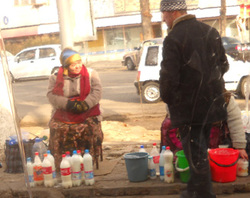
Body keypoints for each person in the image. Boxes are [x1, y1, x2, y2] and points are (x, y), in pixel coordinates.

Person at [159, 0, 230, 197]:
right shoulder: (210, 32)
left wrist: (171, 99)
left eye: (163, 14)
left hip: (189, 110)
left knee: (197, 155)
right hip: (211, 106)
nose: (163, 19)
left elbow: (168, 79)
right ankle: (192, 190)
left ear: (172, 13)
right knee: (198, 152)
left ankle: (205, 194)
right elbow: (223, 66)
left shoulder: (173, 38)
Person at [47, 48, 103, 171]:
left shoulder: (91, 73)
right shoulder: (55, 77)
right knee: (56, 127)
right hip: (65, 110)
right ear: (66, 66)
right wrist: (67, 104)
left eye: (79, 62)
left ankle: (86, 160)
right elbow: (51, 95)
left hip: (88, 109)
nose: (78, 66)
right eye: (73, 65)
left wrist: (85, 104)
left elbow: (97, 92)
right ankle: (63, 161)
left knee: (87, 127)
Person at [161, 92, 248, 160]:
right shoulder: (179, 95)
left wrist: (239, 147)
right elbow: (172, 113)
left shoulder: (225, 98)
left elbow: (235, 121)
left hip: (215, 141)